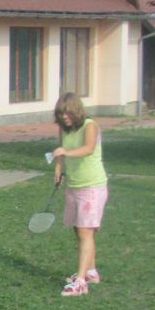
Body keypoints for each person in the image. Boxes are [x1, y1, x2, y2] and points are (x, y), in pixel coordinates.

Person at [50, 93, 108, 297]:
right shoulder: (64, 129)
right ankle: (91, 272)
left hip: (92, 187)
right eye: (61, 114)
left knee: (85, 232)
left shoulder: (90, 126)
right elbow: (61, 150)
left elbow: (88, 149)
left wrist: (65, 153)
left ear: (76, 110)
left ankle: (81, 283)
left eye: (68, 113)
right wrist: (59, 169)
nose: (64, 117)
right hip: (74, 185)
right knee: (79, 230)